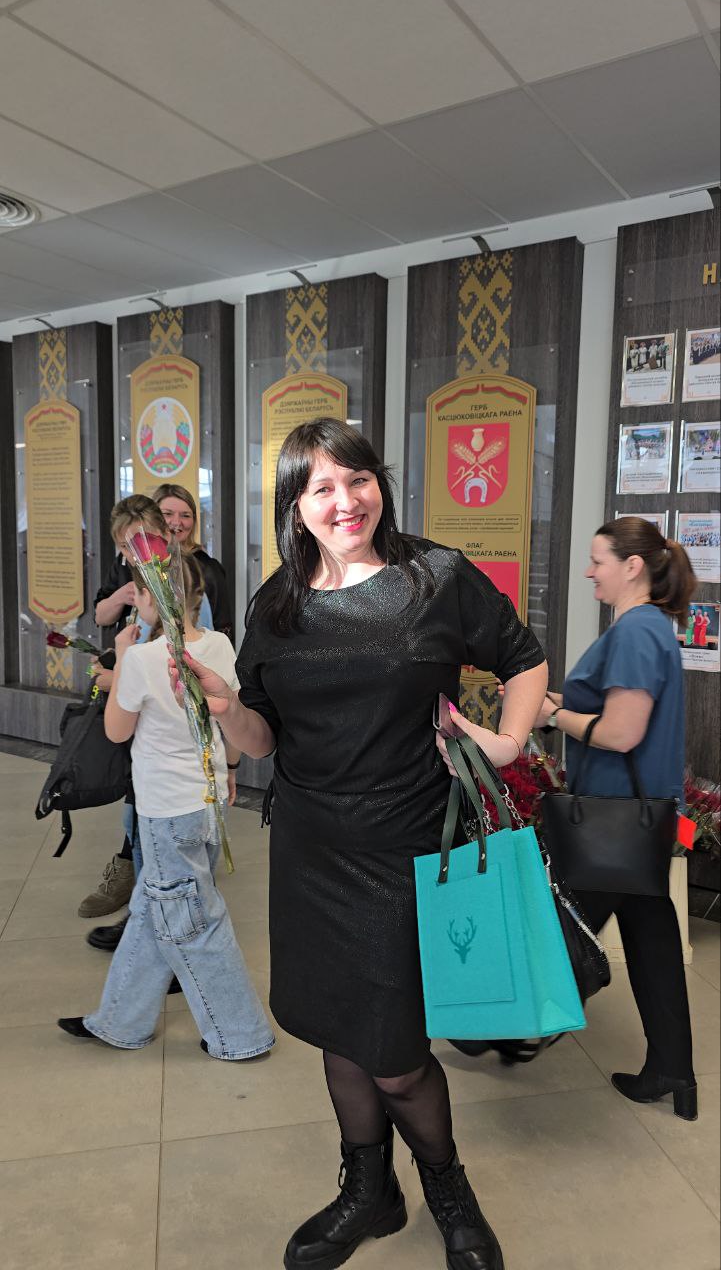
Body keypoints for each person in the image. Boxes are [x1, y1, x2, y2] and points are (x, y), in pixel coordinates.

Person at [171, 419, 547, 1270]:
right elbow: (263, 740)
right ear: (295, 507)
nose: (345, 501)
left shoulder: (433, 577)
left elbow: (522, 659)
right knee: (341, 1033)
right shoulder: (277, 605)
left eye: (358, 479)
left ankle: (448, 1190)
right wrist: (224, 704)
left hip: (408, 849)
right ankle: (368, 1191)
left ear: (380, 484)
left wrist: (506, 743)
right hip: (311, 850)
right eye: (322, 488)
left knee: (397, 1056)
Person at [58, 553, 274, 1061]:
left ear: (148, 600)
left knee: (191, 921)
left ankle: (240, 1034)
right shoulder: (219, 645)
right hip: (206, 803)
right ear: (198, 596)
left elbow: (116, 731)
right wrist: (231, 771)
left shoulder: (142, 658)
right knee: (154, 909)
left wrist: (119, 658)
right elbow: (229, 720)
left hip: (165, 812)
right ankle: (120, 1021)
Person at [534, 516, 698, 1120]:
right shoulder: (651, 629)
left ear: (632, 566)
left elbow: (622, 733)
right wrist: (552, 704)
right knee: (654, 943)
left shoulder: (635, 632)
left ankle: (505, 1032)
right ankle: (674, 1070)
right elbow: (609, 710)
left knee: (559, 934)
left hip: (610, 820)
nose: (588, 572)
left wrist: (554, 719)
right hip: (636, 822)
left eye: (598, 561)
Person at [81, 494, 214, 944]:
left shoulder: (181, 586)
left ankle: (159, 931)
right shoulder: (139, 585)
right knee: (141, 835)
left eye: (141, 541)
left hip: (170, 759)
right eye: (125, 546)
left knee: (162, 851)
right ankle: (147, 924)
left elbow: (183, 667)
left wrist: (118, 672)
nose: (134, 552)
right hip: (154, 753)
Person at [153, 483, 234, 639]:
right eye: (168, 514)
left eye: (185, 515)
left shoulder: (209, 569)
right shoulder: (141, 562)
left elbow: (223, 629)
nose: (177, 522)